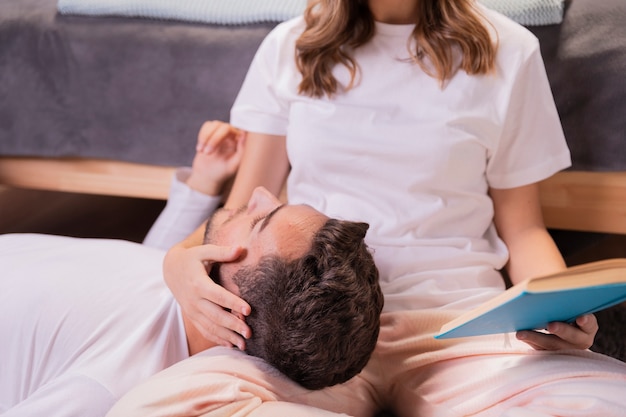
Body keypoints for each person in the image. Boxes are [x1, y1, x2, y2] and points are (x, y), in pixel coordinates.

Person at [128, 0, 626, 416]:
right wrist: (175, 266)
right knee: (163, 405)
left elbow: (524, 230)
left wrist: (562, 313)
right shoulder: (289, 46)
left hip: (460, 324)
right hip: (312, 337)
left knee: (598, 403)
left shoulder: (509, 50)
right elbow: (241, 209)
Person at [0, 144, 383, 416]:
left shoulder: (105, 388)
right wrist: (198, 188)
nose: (261, 194)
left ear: (234, 308)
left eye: (258, 221)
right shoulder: (189, 293)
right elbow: (143, 270)